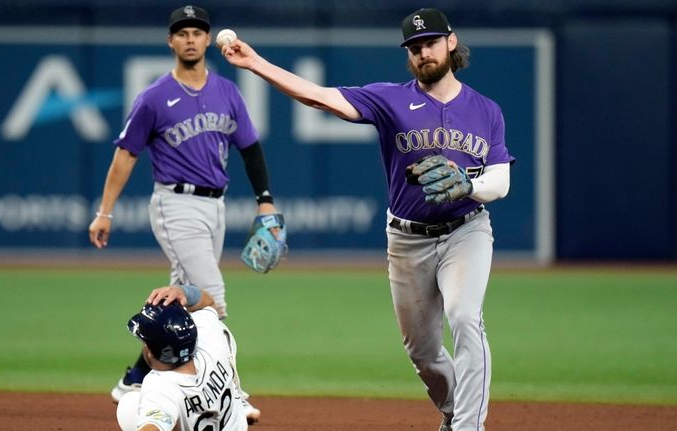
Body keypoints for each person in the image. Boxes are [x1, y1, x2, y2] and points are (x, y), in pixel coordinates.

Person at [221, 8, 513, 431]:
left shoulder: (486, 110)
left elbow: (501, 180)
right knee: (424, 354)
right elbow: (318, 96)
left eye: (430, 43)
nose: (422, 53)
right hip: (407, 240)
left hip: (465, 230)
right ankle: (453, 414)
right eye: (414, 48)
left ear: (451, 42)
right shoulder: (391, 99)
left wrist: (468, 187)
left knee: (466, 318)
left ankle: (469, 426)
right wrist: (255, 63)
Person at [88, 4, 275, 419]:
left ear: (208, 40)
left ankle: (133, 380)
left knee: (179, 300)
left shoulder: (227, 92)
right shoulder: (154, 97)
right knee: (213, 299)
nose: (190, 38)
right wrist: (105, 212)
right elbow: (125, 155)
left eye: (197, 32)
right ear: (171, 41)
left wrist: (264, 199)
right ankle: (232, 391)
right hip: (175, 204)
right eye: (182, 32)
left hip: (216, 205)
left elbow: (250, 147)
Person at [116, 285, 252, 431]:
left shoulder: (160, 385)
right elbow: (209, 303)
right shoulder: (211, 339)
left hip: (169, 402)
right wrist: (184, 292)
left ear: (150, 351)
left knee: (129, 405)